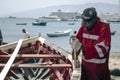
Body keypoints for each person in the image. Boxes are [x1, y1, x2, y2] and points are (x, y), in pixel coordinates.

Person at [76, 7, 111, 80]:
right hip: (85, 72)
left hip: (99, 73)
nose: (84, 24)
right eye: (83, 20)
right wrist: (75, 49)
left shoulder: (104, 28)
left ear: (95, 19)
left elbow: (102, 50)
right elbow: (77, 42)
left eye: (87, 21)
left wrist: (83, 47)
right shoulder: (83, 28)